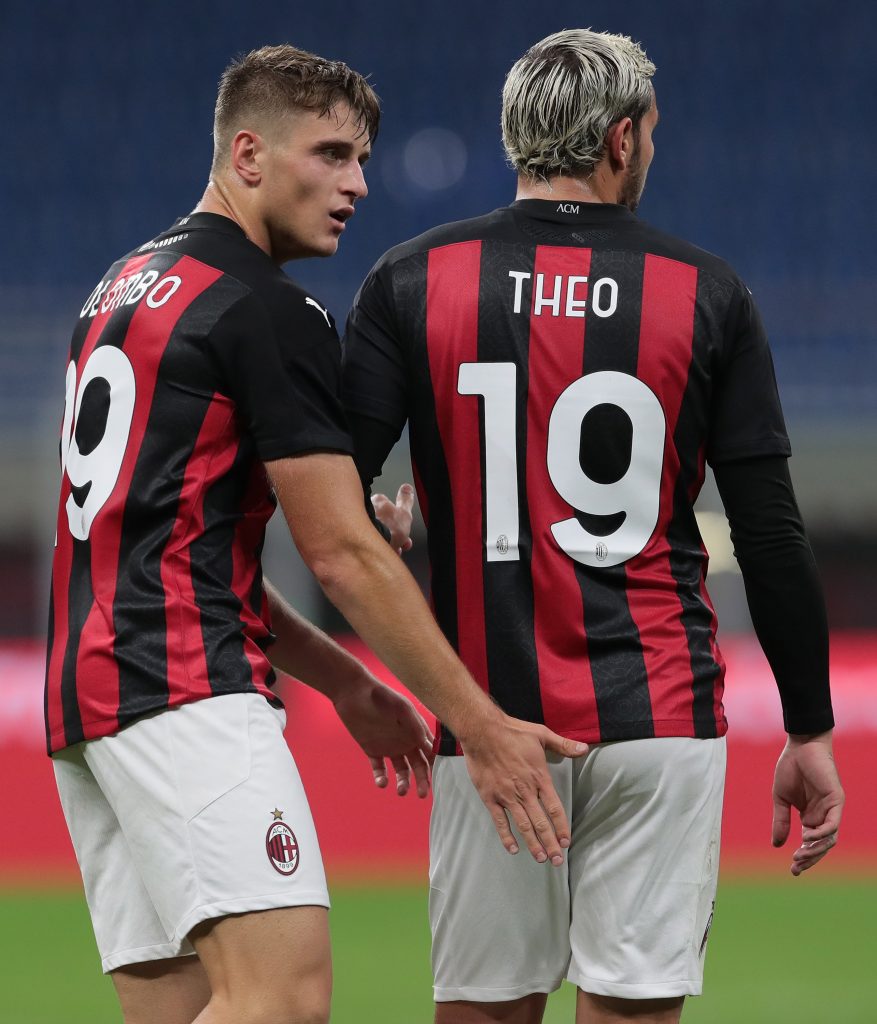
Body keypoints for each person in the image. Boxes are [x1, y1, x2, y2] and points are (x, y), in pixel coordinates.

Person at [45, 44, 587, 1024]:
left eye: (362, 160)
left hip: (91, 704)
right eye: (331, 155)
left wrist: (344, 681)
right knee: (282, 999)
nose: (357, 185)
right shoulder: (268, 307)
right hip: (185, 690)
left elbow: (182, 553)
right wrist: (479, 725)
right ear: (248, 155)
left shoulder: (121, 289)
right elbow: (340, 552)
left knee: (189, 1006)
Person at [342, 28, 845, 1024]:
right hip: (660, 715)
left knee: (484, 1009)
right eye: (649, 131)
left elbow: (327, 491)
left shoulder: (410, 278)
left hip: (489, 719)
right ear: (619, 140)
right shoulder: (708, 291)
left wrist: (375, 509)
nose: (650, 147)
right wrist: (807, 726)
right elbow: (770, 533)